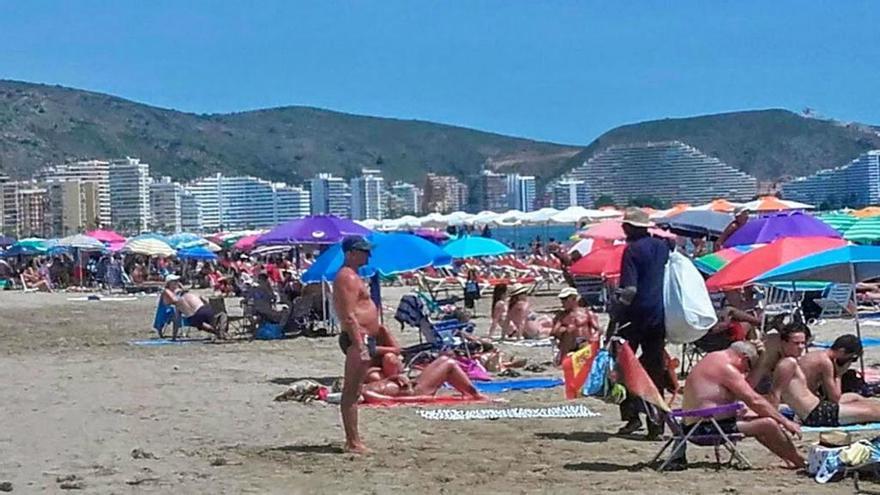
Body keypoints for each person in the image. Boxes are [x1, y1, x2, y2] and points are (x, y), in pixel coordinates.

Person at [676, 341, 804, 469]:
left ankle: (790, 459)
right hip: (703, 429)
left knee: (760, 418)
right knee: (768, 424)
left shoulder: (714, 358)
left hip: (696, 425)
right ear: (743, 357)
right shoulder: (725, 367)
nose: (745, 372)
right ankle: (798, 461)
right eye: (747, 368)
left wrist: (761, 361)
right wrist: (786, 422)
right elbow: (754, 400)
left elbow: (747, 388)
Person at [334, 236, 401, 454]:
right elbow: (349, 315)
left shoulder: (355, 276)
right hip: (358, 339)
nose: (368, 255)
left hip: (364, 338)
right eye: (363, 251)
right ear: (350, 253)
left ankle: (354, 440)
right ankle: (352, 442)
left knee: (355, 391)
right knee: (351, 392)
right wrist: (361, 346)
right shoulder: (347, 277)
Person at [614, 207, 672, 438]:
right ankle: (656, 424)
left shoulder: (632, 251)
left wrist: (616, 314)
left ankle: (631, 418)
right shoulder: (661, 247)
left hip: (635, 316)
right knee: (654, 369)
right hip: (658, 316)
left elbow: (630, 290)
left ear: (629, 228)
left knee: (624, 367)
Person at [770, 325, 880, 427]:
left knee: (870, 407)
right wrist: (777, 422)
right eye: (796, 343)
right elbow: (775, 394)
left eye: (803, 343)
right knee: (873, 411)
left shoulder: (795, 361)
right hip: (816, 414)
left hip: (818, 409)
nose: (801, 347)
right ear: (784, 343)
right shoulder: (789, 363)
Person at [161, 275, 227, 339]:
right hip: (201, 310)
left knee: (200, 323)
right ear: (169, 283)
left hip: (192, 318)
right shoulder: (187, 295)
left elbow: (177, 320)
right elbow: (204, 300)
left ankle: (217, 332)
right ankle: (221, 331)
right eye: (175, 281)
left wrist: (174, 337)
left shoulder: (177, 302)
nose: (177, 282)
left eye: (177, 281)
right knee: (222, 315)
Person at [551, 287, 600, 364]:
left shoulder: (587, 313)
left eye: (565, 299)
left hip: (585, 343)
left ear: (573, 299)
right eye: (561, 299)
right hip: (568, 345)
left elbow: (597, 329)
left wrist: (593, 338)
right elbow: (554, 332)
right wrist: (564, 329)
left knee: (586, 341)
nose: (562, 302)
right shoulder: (561, 315)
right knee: (569, 332)